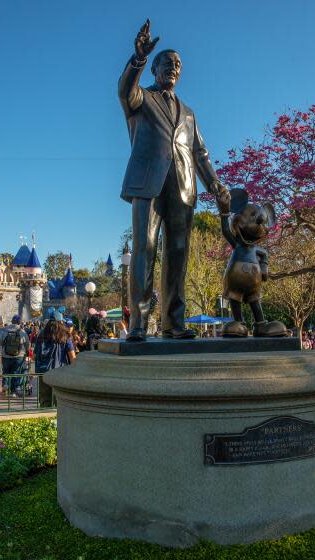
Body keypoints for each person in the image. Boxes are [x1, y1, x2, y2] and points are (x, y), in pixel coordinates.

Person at [119, 20, 230, 341]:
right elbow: (125, 89)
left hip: (183, 188)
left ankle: (173, 322)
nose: (173, 68)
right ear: (154, 68)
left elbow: (201, 154)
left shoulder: (190, 113)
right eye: (167, 62)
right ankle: (138, 324)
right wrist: (137, 58)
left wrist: (216, 187)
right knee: (145, 249)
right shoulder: (140, 99)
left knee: (178, 253)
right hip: (147, 183)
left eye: (178, 64)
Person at [34, 319, 76, 407]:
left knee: (45, 399)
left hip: (43, 371)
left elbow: (34, 356)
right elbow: (72, 356)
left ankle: (45, 417)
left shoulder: (41, 335)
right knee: (59, 399)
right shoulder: (65, 336)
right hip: (60, 371)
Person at [0, 315, 30, 397]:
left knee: (5, 371)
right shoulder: (22, 331)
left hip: (6, 355)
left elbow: (1, 342)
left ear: (12, 321)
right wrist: (26, 351)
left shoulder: (5, 330)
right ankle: (13, 391)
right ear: (19, 322)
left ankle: (5, 385)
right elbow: (27, 344)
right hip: (18, 356)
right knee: (15, 372)